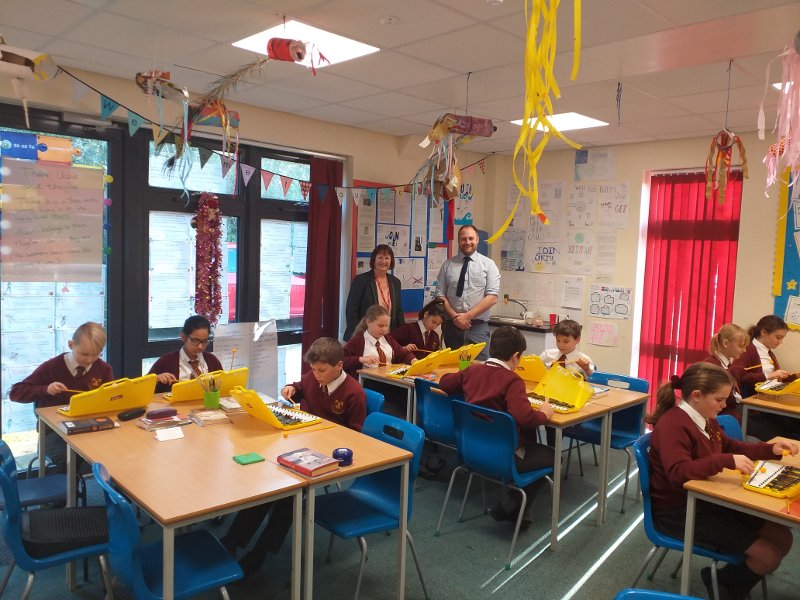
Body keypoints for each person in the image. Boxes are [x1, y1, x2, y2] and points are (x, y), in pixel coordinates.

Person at [646, 362, 797, 600]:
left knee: (784, 538)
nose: (725, 405)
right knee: (768, 556)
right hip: (679, 511)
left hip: (708, 499)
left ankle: (729, 579)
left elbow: (732, 446)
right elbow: (678, 472)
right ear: (696, 396)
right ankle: (725, 587)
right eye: (719, 399)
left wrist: (771, 449)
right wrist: (725, 461)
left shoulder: (705, 417)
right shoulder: (673, 425)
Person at [222, 338, 366, 578]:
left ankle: (261, 552)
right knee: (267, 486)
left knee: (289, 496)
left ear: (339, 365)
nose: (315, 374)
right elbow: (300, 387)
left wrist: (326, 440)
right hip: (300, 444)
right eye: (313, 369)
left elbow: (355, 438)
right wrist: (291, 388)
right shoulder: (314, 378)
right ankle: (233, 540)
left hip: (326, 457)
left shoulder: (353, 393)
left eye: (321, 370)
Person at [438, 326, 555, 530]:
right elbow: (524, 417)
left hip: (471, 450)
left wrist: (464, 371)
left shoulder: (473, 370)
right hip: (503, 455)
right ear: (516, 356)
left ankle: (518, 512)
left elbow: (445, 383)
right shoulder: (513, 380)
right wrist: (544, 413)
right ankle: (510, 504)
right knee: (555, 458)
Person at [10, 322, 114, 469]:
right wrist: (45, 389)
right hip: (55, 431)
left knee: (114, 452)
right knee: (68, 460)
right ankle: (72, 489)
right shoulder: (52, 367)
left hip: (91, 426)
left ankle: (106, 489)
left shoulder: (104, 369)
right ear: (71, 345)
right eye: (84, 354)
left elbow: (111, 398)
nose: (89, 360)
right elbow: (16, 393)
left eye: (96, 354)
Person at [435, 224, 500, 361]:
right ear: (458, 241)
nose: (467, 242)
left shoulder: (488, 265)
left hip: (478, 328)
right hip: (452, 327)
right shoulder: (448, 265)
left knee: (479, 369)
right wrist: (455, 317)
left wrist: (467, 316)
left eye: (471, 238)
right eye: (463, 239)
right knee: (454, 367)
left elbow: (492, 297)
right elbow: (440, 295)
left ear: (477, 239)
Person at [730, 315, 798, 439]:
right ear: (763, 332)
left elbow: (774, 380)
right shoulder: (749, 350)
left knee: (794, 426)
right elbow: (739, 377)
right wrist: (768, 375)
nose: (780, 342)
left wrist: (793, 376)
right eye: (778, 337)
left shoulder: (768, 352)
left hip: (769, 402)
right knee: (784, 433)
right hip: (755, 408)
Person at [148, 315, 222, 393]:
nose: (200, 347)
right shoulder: (166, 361)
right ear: (183, 337)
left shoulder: (212, 361)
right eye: (195, 341)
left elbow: (222, 386)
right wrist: (156, 379)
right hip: (176, 404)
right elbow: (143, 385)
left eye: (204, 342)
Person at [344, 244, 404, 340]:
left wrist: (402, 333)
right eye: (380, 257)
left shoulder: (395, 282)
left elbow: (398, 310)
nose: (383, 261)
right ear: (374, 260)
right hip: (365, 335)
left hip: (388, 335)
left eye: (387, 258)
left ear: (391, 261)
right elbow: (351, 310)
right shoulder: (361, 280)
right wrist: (357, 335)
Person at [342, 304, 415, 377]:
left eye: (386, 326)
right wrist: (360, 359)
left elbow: (403, 354)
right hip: (367, 382)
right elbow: (341, 360)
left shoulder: (388, 339)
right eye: (380, 326)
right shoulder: (357, 341)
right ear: (368, 322)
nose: (384, 329)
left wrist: (414, 361)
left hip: (389, 379)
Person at [702, 323, 749, 421]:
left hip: (734, 411)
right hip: (726, 415)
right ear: (726, 343)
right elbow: (724, 401)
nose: (744, 350)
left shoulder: (727, 365)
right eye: (741, 346)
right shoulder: (712, 366)